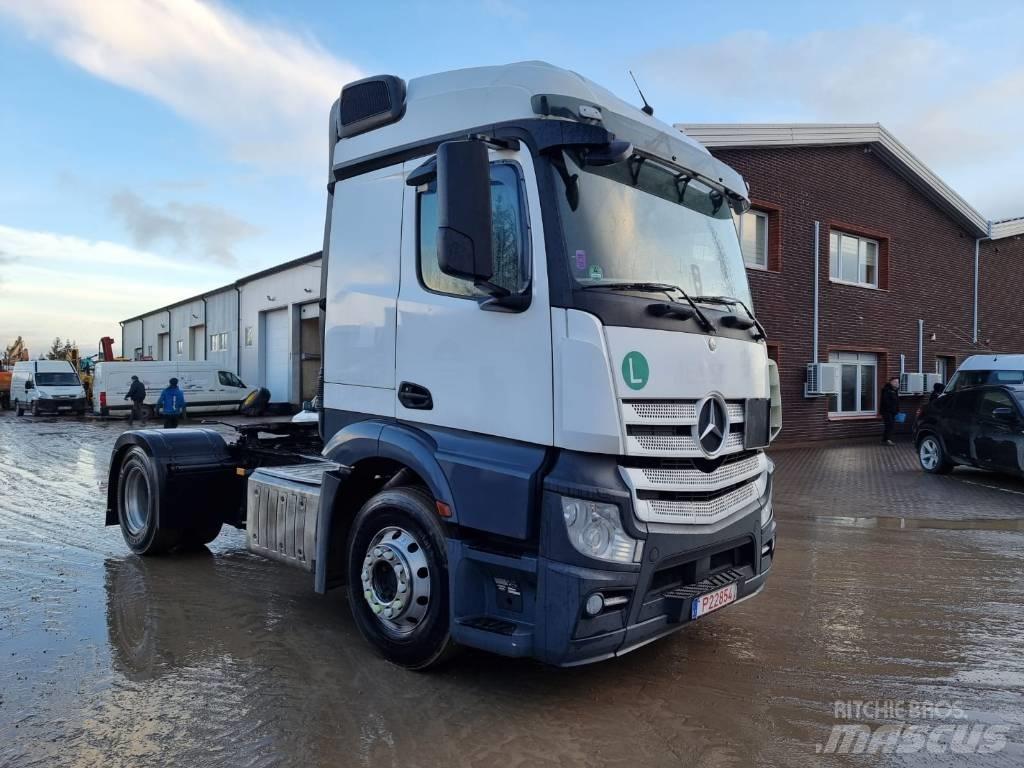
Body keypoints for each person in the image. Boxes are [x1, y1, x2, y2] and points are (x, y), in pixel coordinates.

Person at [880, 376, 900, 445]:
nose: (897, 383)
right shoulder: (887, 390)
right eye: (895, 382)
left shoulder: (895, 390)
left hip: (892, 412)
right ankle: (888, 440)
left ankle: (884, 439)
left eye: (898, 382)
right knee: (890, 425)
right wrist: (892, 409)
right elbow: (886, 401)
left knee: (890, 425)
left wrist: (897, 410)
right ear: (891, 382)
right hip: (887, 411)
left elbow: (896, 401)